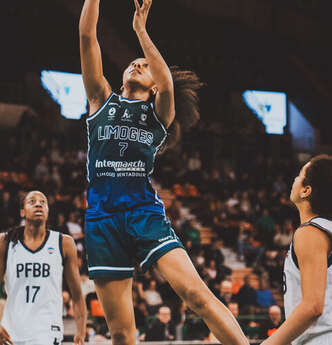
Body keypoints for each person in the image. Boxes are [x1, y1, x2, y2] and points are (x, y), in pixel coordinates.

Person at [79, 0, 249, 344]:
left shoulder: (159, 114)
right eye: (133, 62)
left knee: (197, 295)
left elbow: (169, 84)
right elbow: (86, 36)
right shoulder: (101, 100)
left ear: (155, 85)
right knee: (122, 333)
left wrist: (140, 31)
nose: (136, 64)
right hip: (102, 219)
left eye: (144, 65)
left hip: (143, 213)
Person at [0, 191, 87, 345]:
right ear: (22, 212)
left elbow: (77, 295)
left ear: (47, 211)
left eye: (43, 202)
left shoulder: (63, 243)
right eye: (32, 201)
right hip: (11, 331)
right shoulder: (5, 241)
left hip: (47, 330)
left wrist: (81, 331)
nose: (38, 204)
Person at [262, 155, 332, 345]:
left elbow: (312, 306)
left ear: (306, 190)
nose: (294, 179)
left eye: (300, 175)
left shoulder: (310, 232)